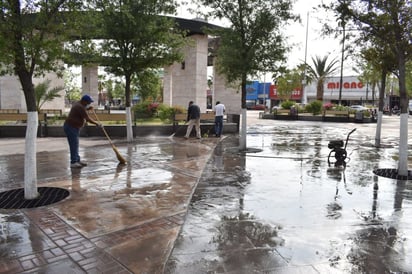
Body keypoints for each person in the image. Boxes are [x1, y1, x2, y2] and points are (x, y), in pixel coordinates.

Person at [64, 94, 102, 168]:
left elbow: (82, 110)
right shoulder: (79, 107)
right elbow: (87, 118)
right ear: (84, 101)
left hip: (73, 127)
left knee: (76, 144)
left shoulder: (78, 104)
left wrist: (87, 109)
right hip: (71, 127)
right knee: (73, 145)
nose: (89, 104)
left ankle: (77, 160)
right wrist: (97, 124)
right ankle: (73, 162)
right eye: (88, 102)